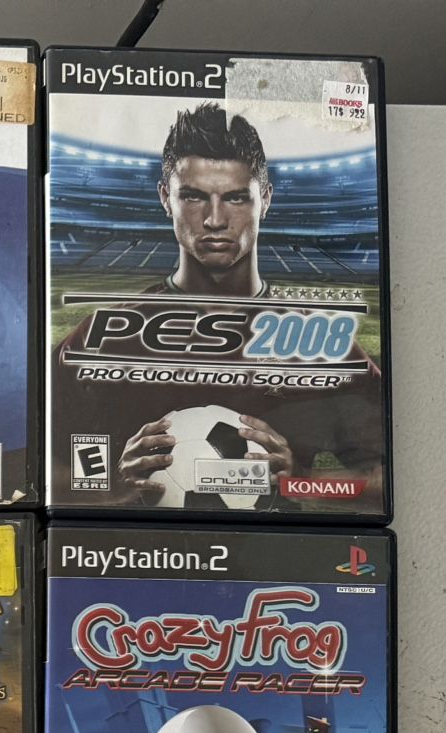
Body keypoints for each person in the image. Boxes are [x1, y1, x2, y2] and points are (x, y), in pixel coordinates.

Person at [53, 103, 384, 505]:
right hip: (134, 545)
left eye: (236, 198)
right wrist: (109, 482)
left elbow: (384, 480)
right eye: (193, 197)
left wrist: (299, 481)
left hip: (272, 545)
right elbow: (34, 471)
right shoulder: (104, 336)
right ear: (166, 198)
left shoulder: (319, 342)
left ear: (265, 200)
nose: (214, 219)